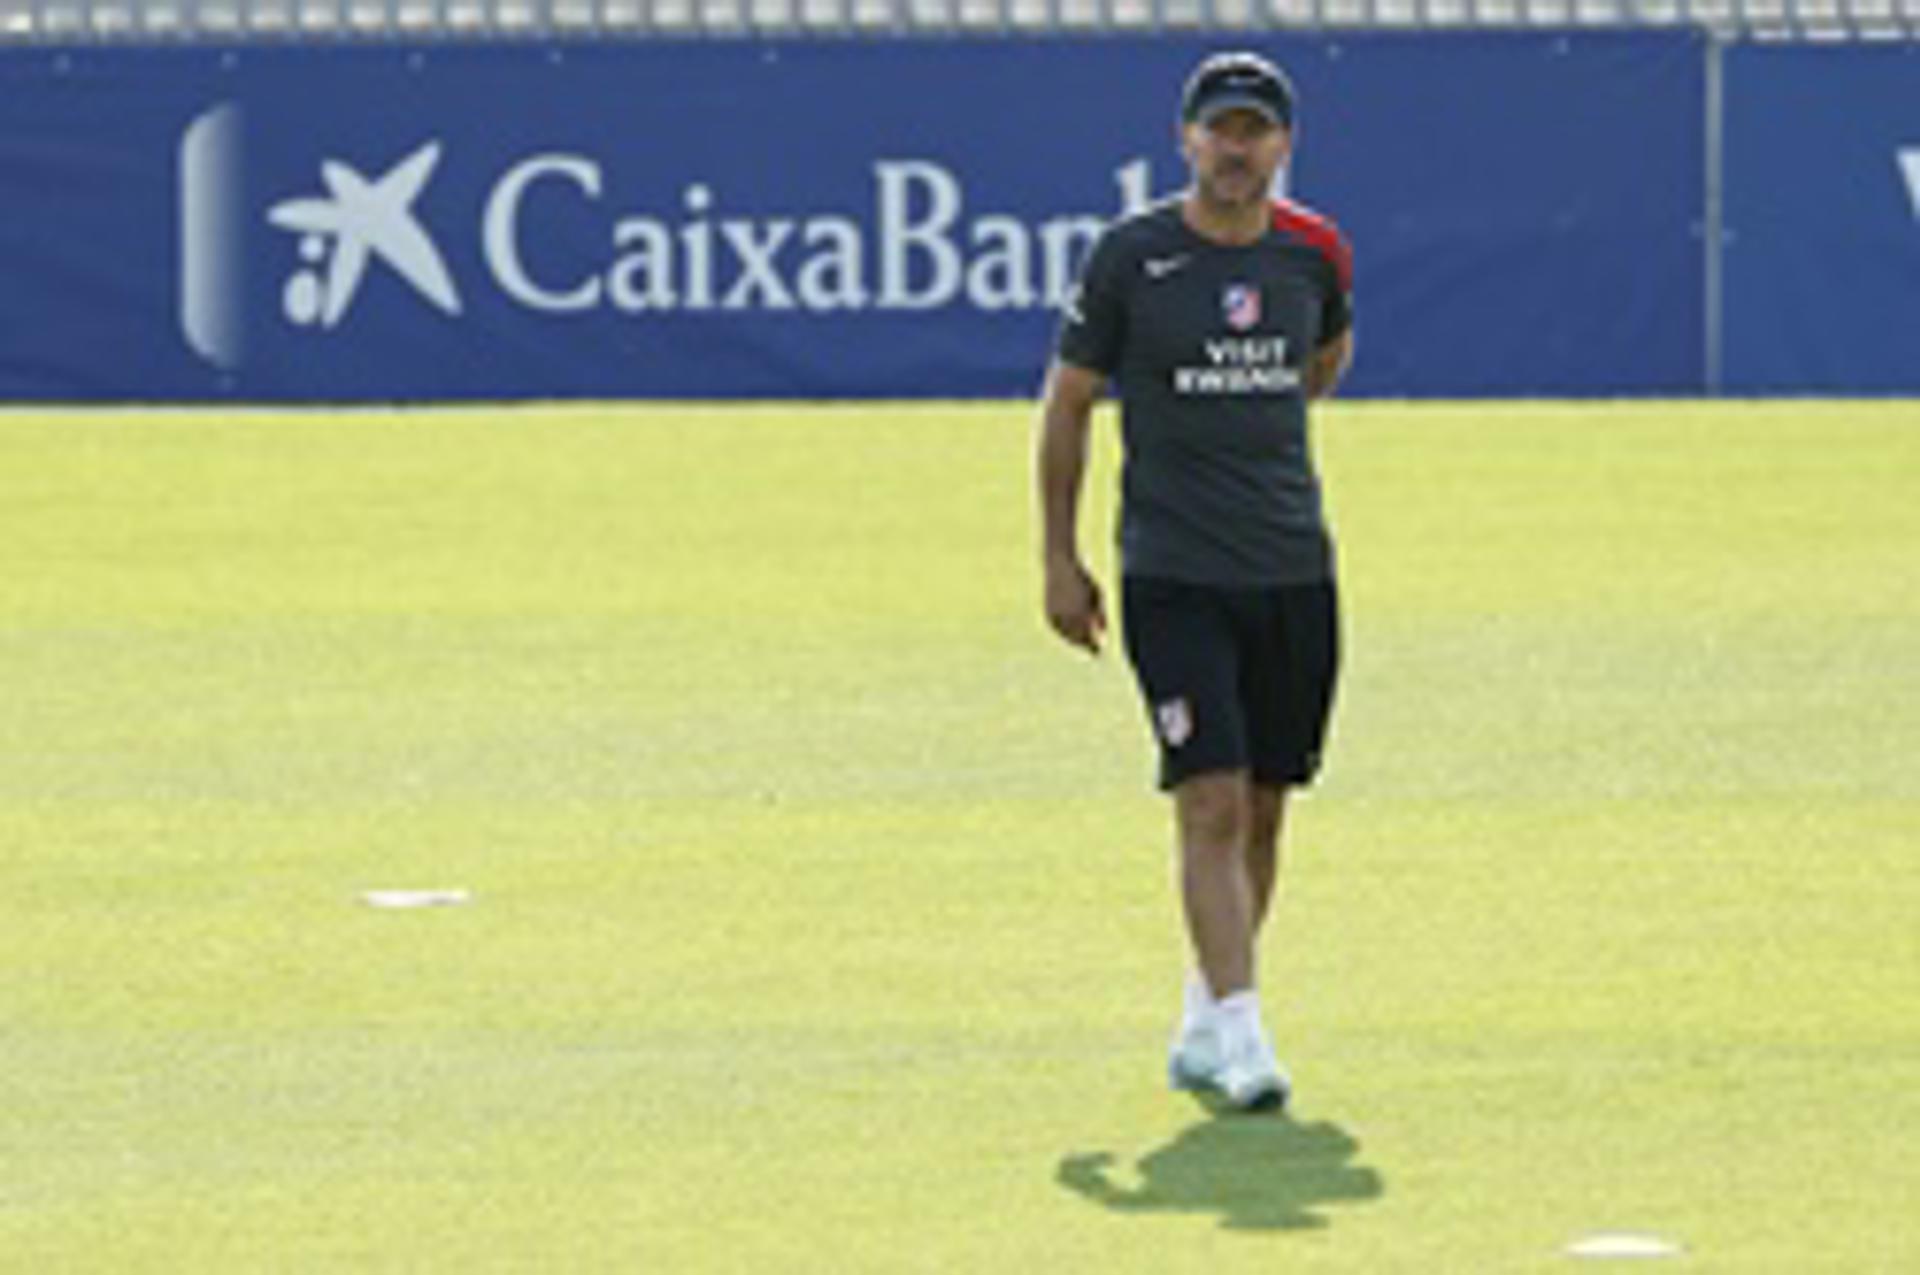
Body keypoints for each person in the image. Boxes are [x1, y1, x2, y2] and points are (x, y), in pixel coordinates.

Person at [1034, 50, 1355, 1111]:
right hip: (1172, 573)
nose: (1236, 149)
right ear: (1187, 139)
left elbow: (1321, 364)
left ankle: (1205, 1016)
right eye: (1220, 129)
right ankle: (1248, 1035)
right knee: (1208, 798)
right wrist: (1060, 556)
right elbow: (1069, 403)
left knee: (1264, 809)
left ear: (1284, 144)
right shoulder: (1134, 258)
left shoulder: (1313, 253)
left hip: (1293, 570)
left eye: (1255, 131)